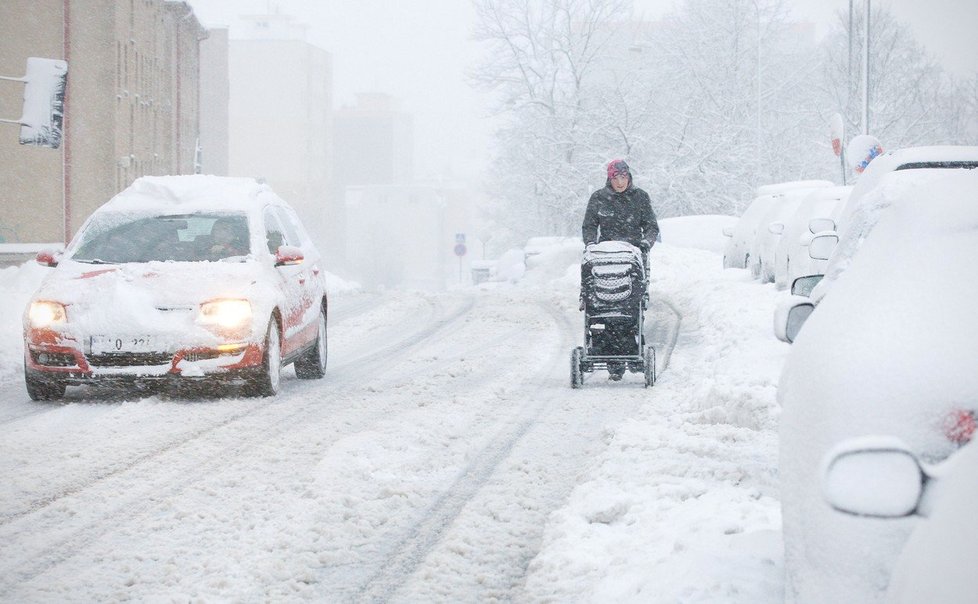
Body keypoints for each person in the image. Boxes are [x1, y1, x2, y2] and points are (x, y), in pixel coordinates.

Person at [582, 159, 660, 380]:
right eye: (616, 178)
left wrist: (645, 243)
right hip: (605, 257)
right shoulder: (599, 198)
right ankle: (609, 354)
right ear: (610, 178)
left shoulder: (640, 198)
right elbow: (589, 226)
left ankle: (631, 345)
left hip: (633, 256)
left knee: (631, 304)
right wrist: (590, 244)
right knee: (604, 303)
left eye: (623, 177)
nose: (620, 182)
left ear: (629, 177)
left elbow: (652, 226)